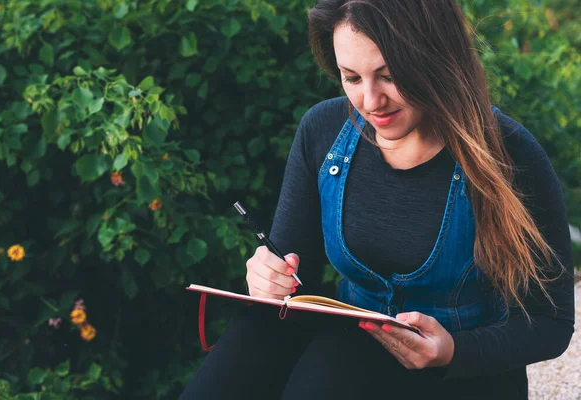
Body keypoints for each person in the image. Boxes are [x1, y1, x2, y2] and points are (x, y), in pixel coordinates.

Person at [179, 1, 575, 399]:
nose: (370, 101)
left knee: (325, 378)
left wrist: (452, 351)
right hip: (355, 343)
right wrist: (268, 278)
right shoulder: (323, 129)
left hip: (461, 371)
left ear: (437, 59)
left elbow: (551, 323)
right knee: (252, 335)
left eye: (389, 76)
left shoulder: (510, 152)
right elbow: (296, 282)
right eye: (351, 78)